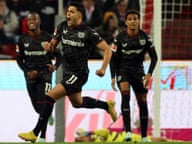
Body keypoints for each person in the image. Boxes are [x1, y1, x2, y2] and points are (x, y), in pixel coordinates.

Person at [17, 2, 116, 142]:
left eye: (72, 11)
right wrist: (49, 47)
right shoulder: (62, 26)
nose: (68, 14)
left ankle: (35, 133)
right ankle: (107, 105)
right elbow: (53, 45)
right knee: (77, 103)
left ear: (80, 14)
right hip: (68, 73)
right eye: (67, 11)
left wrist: (103, 68)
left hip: (80, 73)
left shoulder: (88, 32)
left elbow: (107, 49)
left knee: (50, 96)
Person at [110, 10, 158, 142]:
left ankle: (144, 136)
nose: (133, 21)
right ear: (126, 22)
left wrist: (148, 74)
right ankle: (128, 132)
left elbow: (154, 57)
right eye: (130, 19)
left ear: (139, 21)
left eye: (135, 19)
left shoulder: (145, 38)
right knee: (125, 94)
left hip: (138, 72)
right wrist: (113, 77)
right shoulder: (119, 38)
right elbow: (113, 59)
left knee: (142, 101)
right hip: (123, 70)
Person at [16, 12, 62, 142]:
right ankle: (48, 114)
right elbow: (19, 60)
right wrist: (27, 71)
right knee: (38, 109)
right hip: (31, 77)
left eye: (34, 19)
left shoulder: (48, 38)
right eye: (29, 19)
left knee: (44, 104)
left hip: (45, 74)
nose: (31, 21)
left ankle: (42, 137)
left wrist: (55, 67)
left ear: (39, 21)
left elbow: (59, 56)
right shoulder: (22, 40)